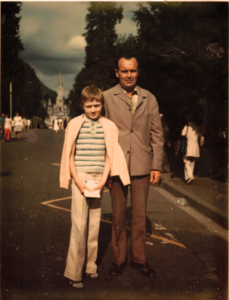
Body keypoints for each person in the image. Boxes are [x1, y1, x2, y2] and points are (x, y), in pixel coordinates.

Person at [60, 86, 130, 289]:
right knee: (79, 226)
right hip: (80, 177)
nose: (93, 109)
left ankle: (90, 266)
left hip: (98, 179)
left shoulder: (108, 125)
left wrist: (103, 180)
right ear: (82, 105)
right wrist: (77, 180)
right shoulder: (74, 124)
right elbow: (69, 155)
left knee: (94, 225)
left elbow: (111, 155)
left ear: (102, 105)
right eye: (89, 105)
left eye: (97, 105)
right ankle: (74, 272)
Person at [103, 54, 164, 278]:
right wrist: (105, 168)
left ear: (138, 72)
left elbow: (157, 135)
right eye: (124, 71)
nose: (129, 75)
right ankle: (118, 261)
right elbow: (102, 135)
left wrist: (156, 166)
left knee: (139, 217)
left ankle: (140, 260)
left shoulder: (150, 98)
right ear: (117, 72)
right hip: (116, 166)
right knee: (118, 217)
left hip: (142, 165)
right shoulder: (106, 97)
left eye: (133, 71)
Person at [181, 113, 202, 184]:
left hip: (188, 146)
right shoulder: (197, 127)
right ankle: (188, 178)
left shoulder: (186, 127)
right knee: (192, 162)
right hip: (195, 147)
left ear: (187, 120)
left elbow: (183, 134)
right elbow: (202, 137)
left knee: (186, 161)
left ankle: (190, 176)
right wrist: (201, 145)